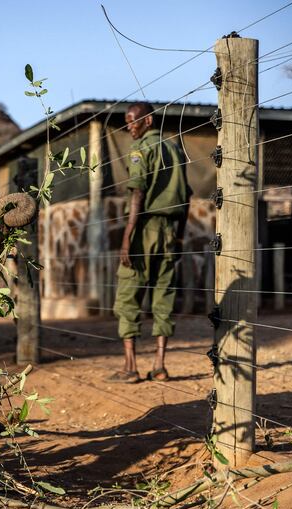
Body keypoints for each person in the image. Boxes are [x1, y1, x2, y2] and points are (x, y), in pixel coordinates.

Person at [107, 102, 192, 384]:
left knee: (128, 295)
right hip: (170, 231)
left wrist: (127, 237)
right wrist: (179, 235)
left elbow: (137, 194)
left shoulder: (141, 149)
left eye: (133, 120)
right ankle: (159, 366)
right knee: (163, 295)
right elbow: (187, 197)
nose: (129, 126)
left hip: (144, 229)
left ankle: (130, 367)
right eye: (127, 121)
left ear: (148, 121)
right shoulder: (175, 150)